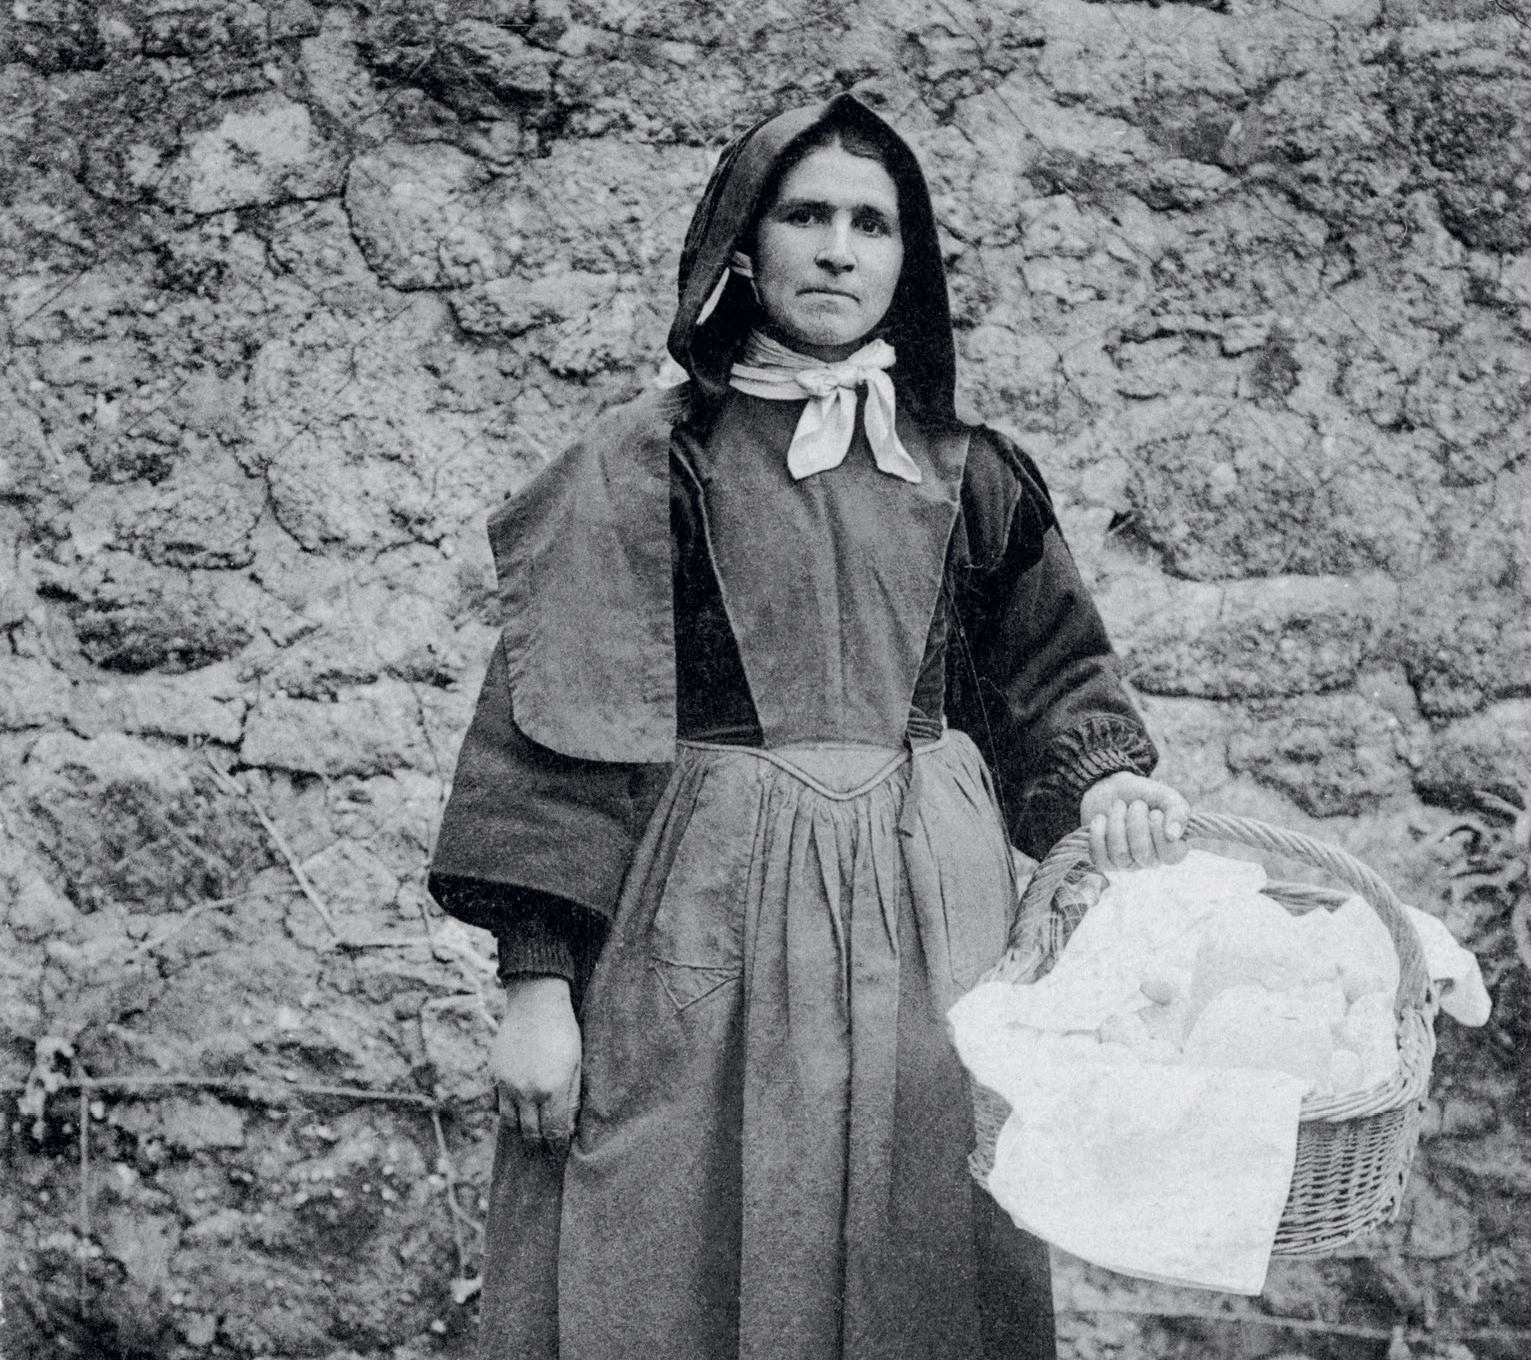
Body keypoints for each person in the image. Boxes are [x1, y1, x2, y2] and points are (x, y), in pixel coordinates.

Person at [430, 93, 1190, 1360]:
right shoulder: (644, 463)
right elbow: (558, 729)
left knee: (923, 1239)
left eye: (871, 223)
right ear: (743, 240)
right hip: (705, 917)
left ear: (909, 255)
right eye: (806, 215)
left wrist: (1101, 784)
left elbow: (1052, 678)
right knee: (672, 1234)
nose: (839, 249)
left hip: (935, 931)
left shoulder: (972, 469)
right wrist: (538, 987)